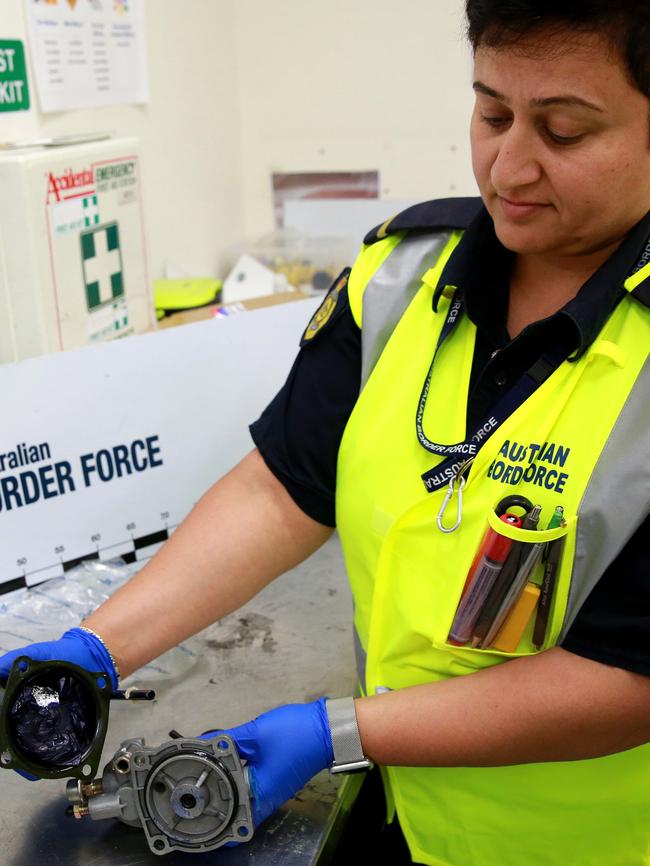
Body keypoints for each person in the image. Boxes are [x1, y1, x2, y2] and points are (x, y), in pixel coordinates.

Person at [2, 1, 650, 863]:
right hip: (398, 812)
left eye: (563, 132)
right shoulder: (401, 280)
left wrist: (337, 731)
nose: (509, 165)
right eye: (492, 113)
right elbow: (282, 491)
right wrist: (100, 647)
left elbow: (626, 682)